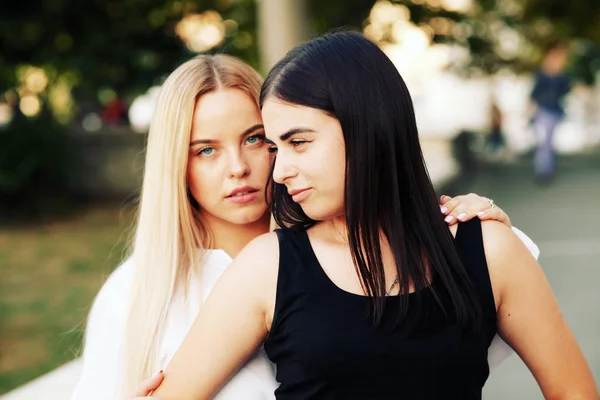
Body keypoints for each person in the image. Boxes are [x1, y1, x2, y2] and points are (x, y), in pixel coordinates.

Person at [148, 32, 596, 399]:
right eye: (274, 146)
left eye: (299, 142)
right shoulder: (268, 266)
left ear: (368, 128)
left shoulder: (489, 248)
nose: (280, 171)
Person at [71, 54, 534, 400]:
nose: (239, 167)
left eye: (257, 140)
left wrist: (472, 226)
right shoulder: (136, 292)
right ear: (176, 165)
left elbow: (438, 359)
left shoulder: (378, 250)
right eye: (205, 150)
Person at [530, 41, 571, 183]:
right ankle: (543, 171)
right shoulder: (542, 75)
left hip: (555, 111)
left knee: (549, 141)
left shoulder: (561, 76)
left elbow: (565, 90)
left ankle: (548, 169)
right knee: (544, 142)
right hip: (544, 110)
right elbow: (534, 93)